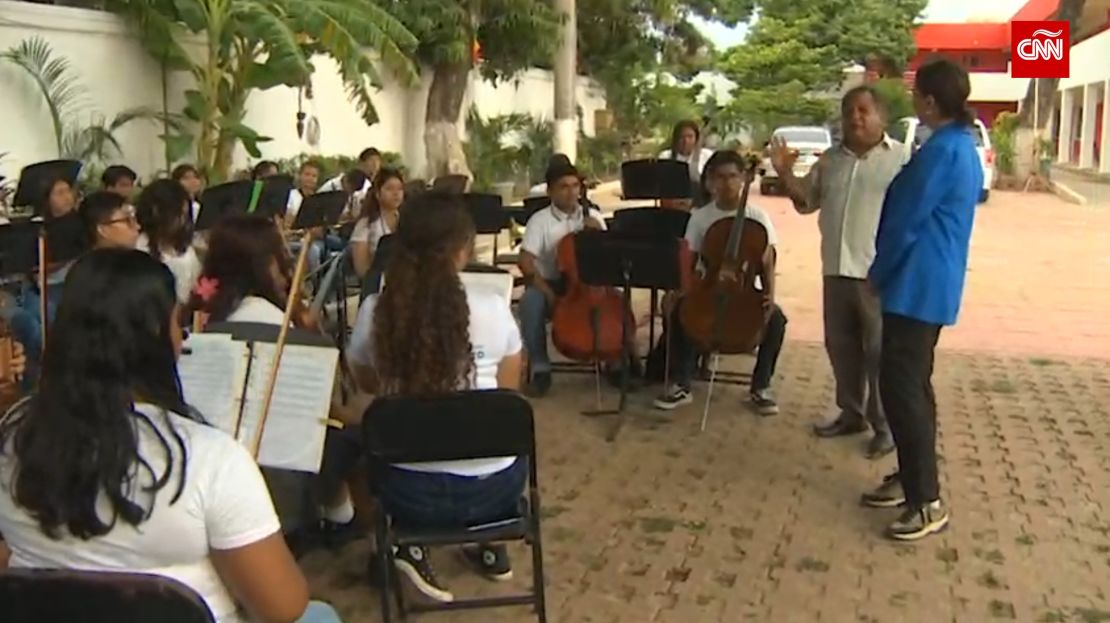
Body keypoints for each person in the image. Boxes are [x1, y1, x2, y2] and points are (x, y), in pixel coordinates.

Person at [0, 249, 342, 623]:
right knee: (318, 616)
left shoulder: (13, 436)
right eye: (177, 324)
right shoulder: (210, 459)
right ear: (157, 335)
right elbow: (283, 607)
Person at [348, 192, 526, 603]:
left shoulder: (378, 311)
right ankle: (488, 542)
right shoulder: (494, 307)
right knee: (492, 427)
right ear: (464, 248)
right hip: (496, 491)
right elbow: (507, 394)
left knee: (358, 447)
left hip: (407, 494)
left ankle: (401, 544)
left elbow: (366, 382)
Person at [859, 59, 982, 541]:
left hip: (917, 283)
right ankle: (911, 477)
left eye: (916, 95)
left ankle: (925, 500)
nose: (912, 100)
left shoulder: (943, 152)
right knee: (912, 385)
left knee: (902, 388)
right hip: (928, 281)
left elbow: (906, 220)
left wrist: (879, 272)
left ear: (930, 101)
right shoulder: (956, 145)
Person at [770, 85, 906, 459]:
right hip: (835, 268)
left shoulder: (901, 160)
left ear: (881, 117)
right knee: (841, 347)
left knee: (879, 352)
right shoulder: (830, 161)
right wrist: (785, 175)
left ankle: (884, 426)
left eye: (863, 110)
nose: (855, 118)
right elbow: (806, 202)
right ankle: (852, 412)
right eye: (849, 111)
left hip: (877, 273)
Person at [653, 150, 786, 416]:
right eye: (721, 177)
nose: (727, 184)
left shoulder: (758, 217)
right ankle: (681, 383)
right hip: (707, 285)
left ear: (743, 179)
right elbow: (689, 258)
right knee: (681, 311)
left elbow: (767, 261)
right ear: (711, 182)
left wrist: (770, 293)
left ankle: (761, 387)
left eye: (733, 177)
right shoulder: (701, 217)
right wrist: (681, 290)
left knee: (777, 320)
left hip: (744, 287)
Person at [517, 163, 606, 397]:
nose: (571, 192)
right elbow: (525, 261)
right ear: (550, 191)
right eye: (563, 187)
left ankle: (618, 359)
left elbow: (609, 258)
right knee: (530, 302)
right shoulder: (539, 220)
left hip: (588, 282)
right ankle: (540, 367)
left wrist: (599, 235)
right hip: (552, 282)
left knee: (615, 298)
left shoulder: (593, 216)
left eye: (575, 186)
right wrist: (548, 293)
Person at [136, 179, 202, 305]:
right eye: (178, 215)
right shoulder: (140, 249)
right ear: (156, 211)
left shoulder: (185, 247)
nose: (182, 222)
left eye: (185, 215)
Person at [350, 168, 404, 279]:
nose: (396, 193)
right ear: (378, 194)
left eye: (400, 189)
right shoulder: (365, 225)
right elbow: (362, 270)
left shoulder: (407, 220)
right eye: (389, 189)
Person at [659, 120, 715, 206]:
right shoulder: (665, 156)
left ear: (696, 138)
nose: (686, 141)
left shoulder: (707, 155)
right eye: (682, 137)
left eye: (690, 137)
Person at [285, 161, 321, 229]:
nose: (310, 178)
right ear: (300, 176)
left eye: (314, 176)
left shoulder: (319, 199)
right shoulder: (291, 195)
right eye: (307, 174)